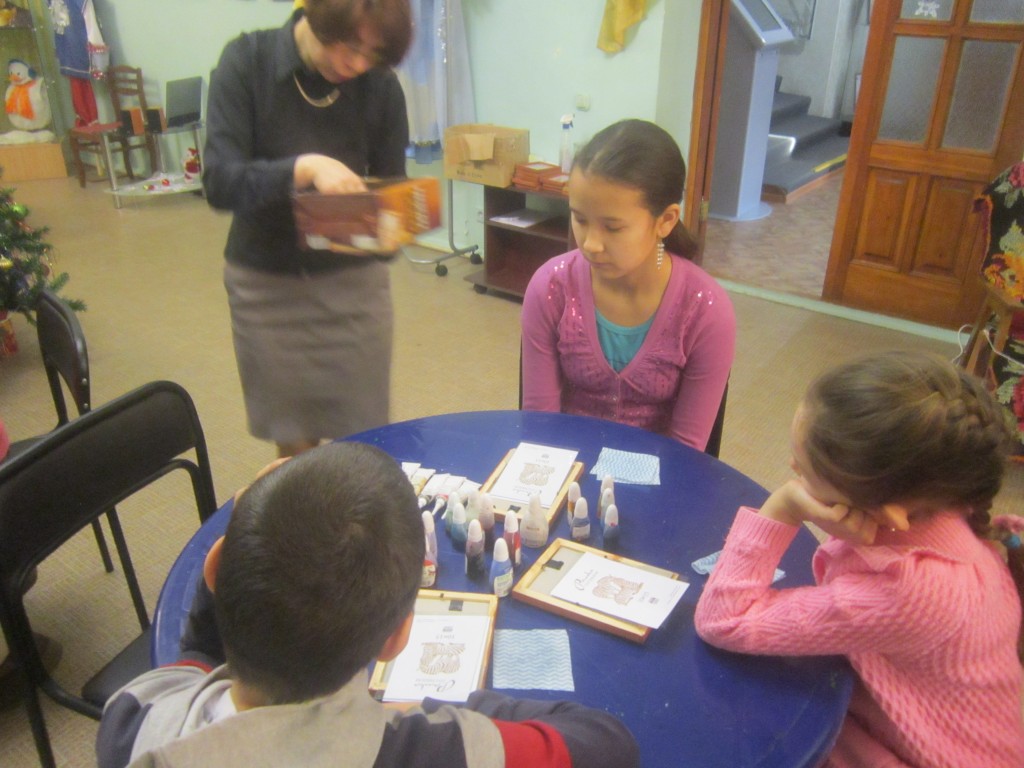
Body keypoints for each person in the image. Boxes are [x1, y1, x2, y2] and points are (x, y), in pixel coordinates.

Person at [96, 442, 640, 768]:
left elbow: (193, 660)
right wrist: (447, 712)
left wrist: (247, 539)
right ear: (397, 637)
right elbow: (606, 744)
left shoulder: (130, 721)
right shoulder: (441, 752)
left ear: (215, 571)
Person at [694, 350, 1024, 767]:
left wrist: (782, 508)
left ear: (888, 513)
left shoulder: (908, 591)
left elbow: (723, 620)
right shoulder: (944, 502)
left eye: (804, 470)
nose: (791, 467)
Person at [203, 0, 412, 458]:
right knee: (298, 457)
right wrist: (304, 169)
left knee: (365, 449)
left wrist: (393, 222)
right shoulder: (247, 63)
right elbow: (219, 183)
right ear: (319, 16)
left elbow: (389, 191)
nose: (357, 64)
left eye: (374, 54)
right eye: (349, 47)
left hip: (353, 288)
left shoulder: (380, 87)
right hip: (267, 288)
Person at [520, 119, 735, 451]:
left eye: (613, 227)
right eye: (580, 219)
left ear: (666, 220)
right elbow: (540, 429)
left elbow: (686, 452)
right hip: (566, 464)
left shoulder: (705, 310)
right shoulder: (551, 288)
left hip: (660, 471)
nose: (590, 244)